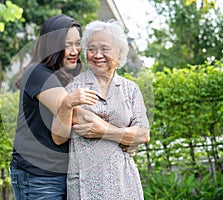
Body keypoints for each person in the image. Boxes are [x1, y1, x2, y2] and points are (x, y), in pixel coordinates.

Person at [53, 19, 150, 199]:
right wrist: (125, 135)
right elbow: (58, 137)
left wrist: (104, 130)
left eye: (105, 49)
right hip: (86, 183)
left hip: (124, 182)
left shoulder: (130, 90)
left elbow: (143, 134)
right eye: (91, 49)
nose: (97, 55)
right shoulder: (73, 87)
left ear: (119, 53)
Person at [9, 14, 98, 200]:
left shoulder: (71, 74)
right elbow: (75, 115)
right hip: (38, 177)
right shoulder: (37, 73)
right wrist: (122, 134)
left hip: (67, 172)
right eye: (67, 45)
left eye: (77, 43)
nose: (75, 51)